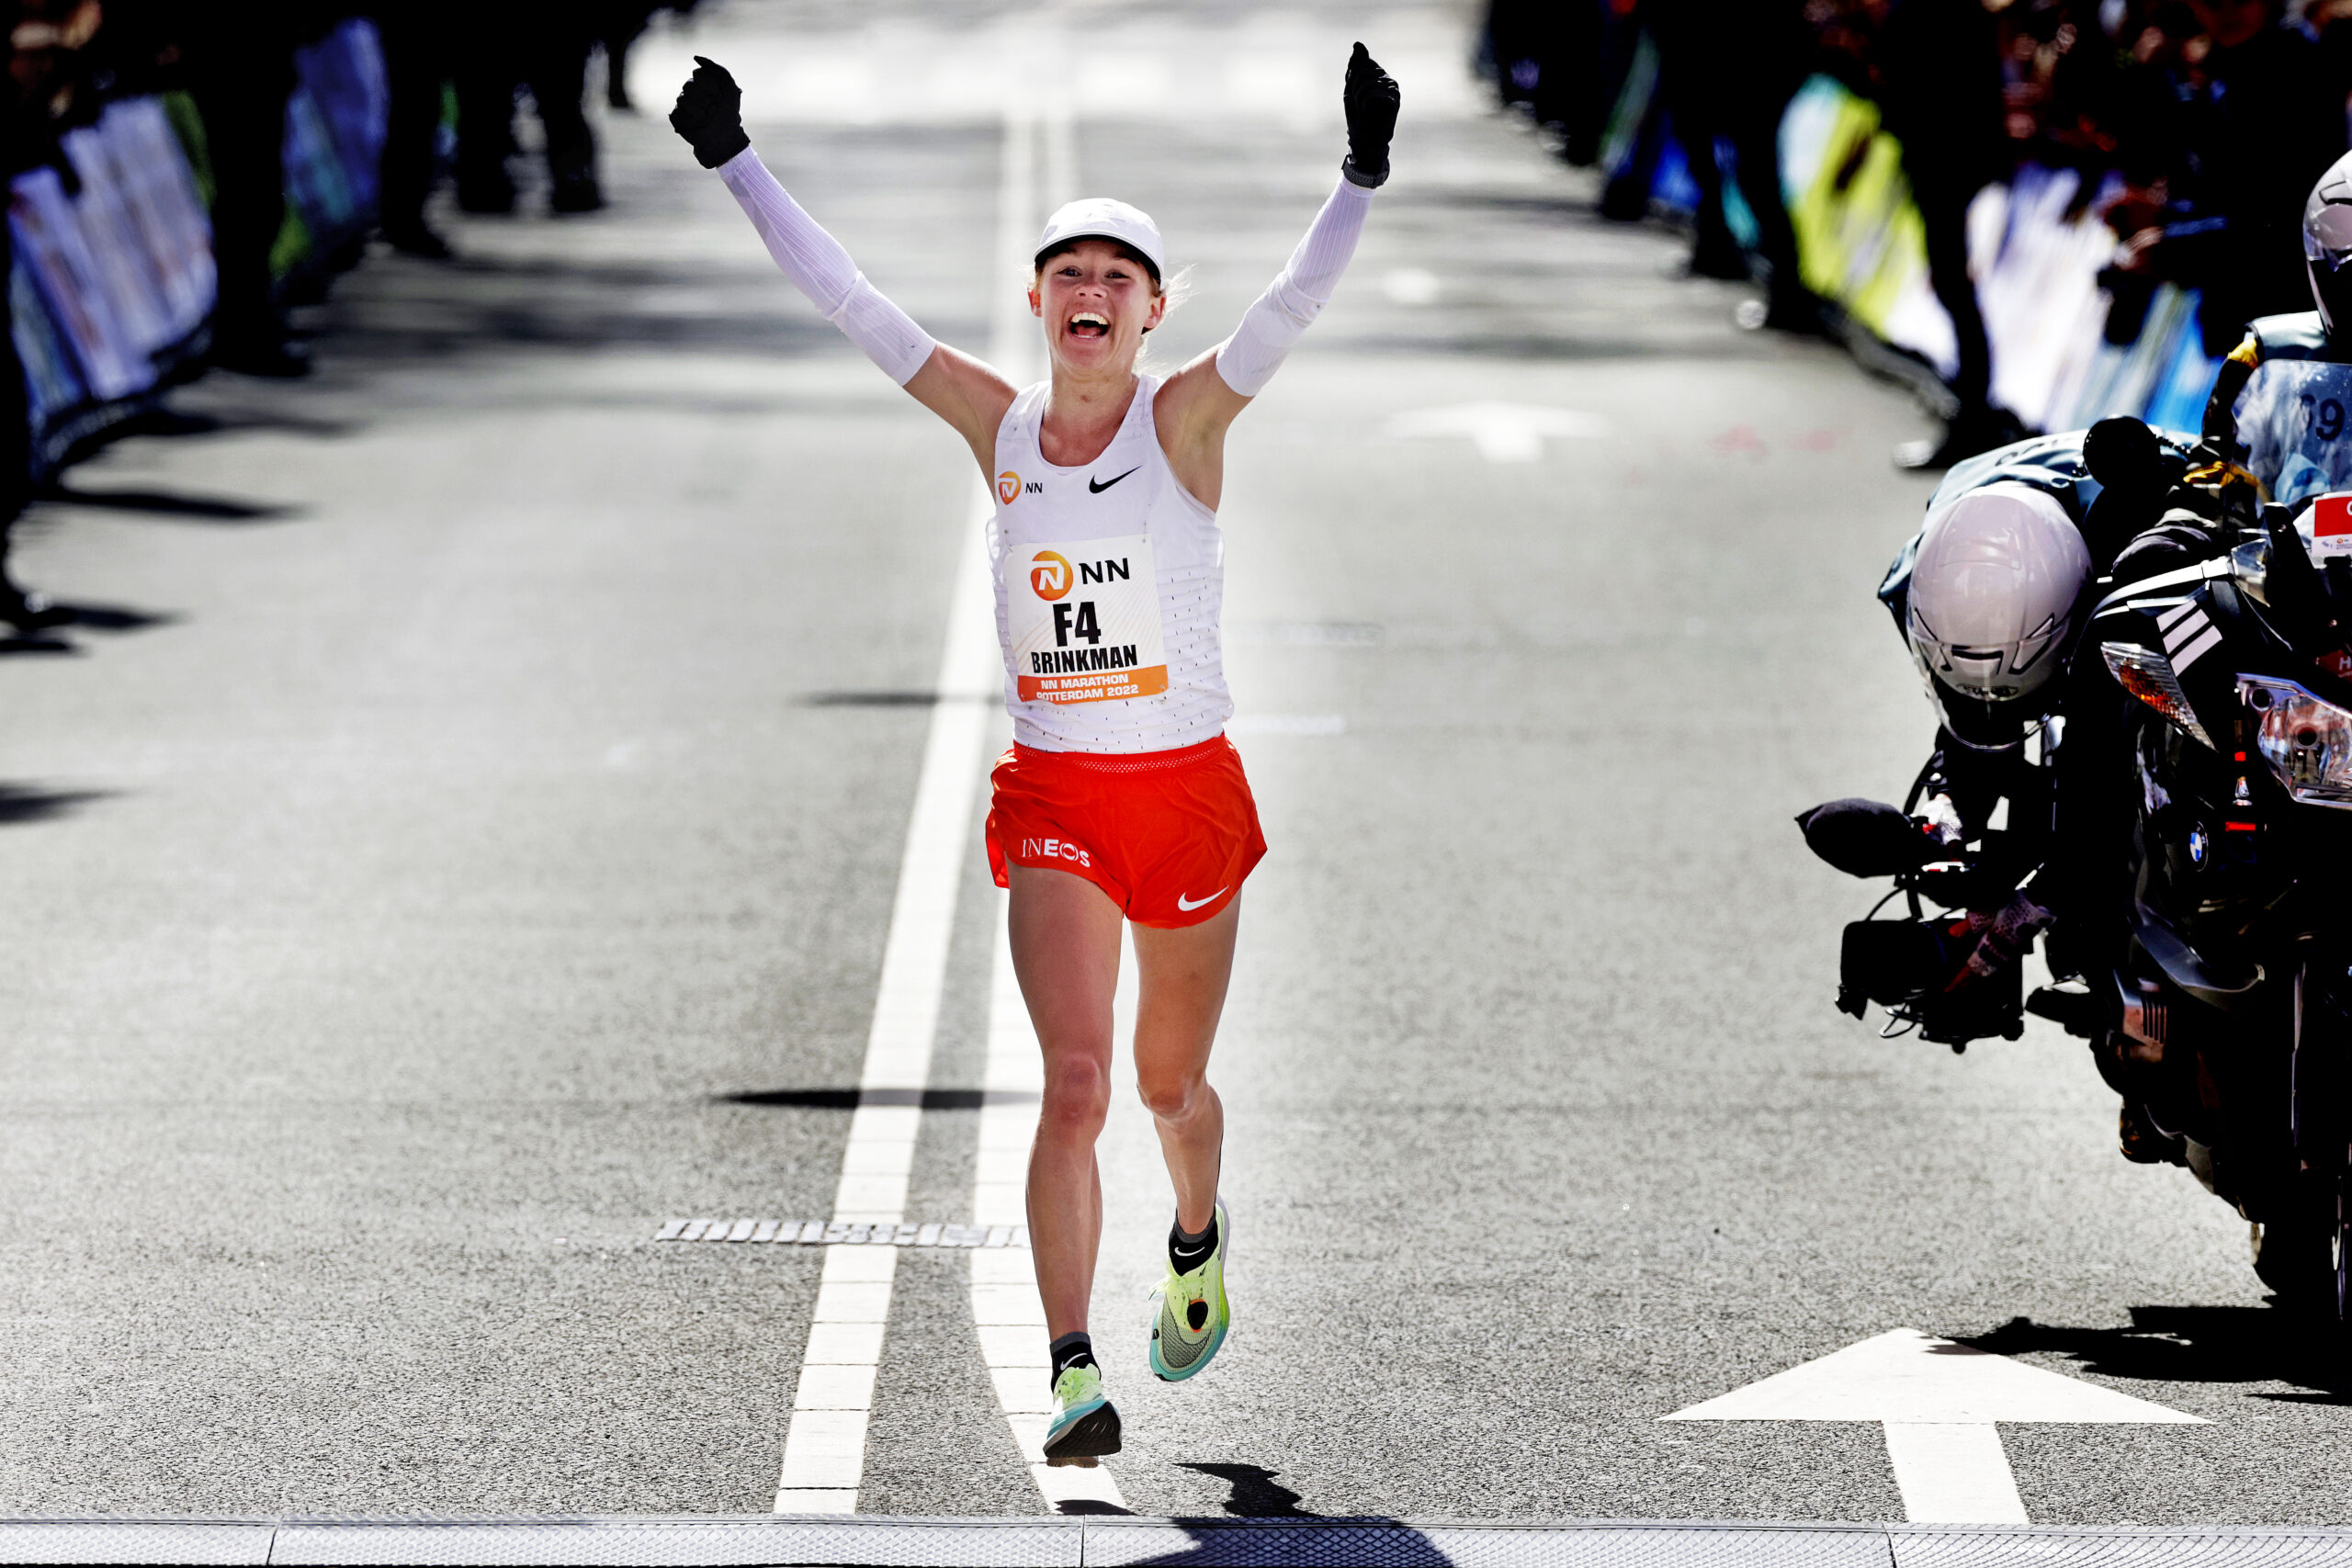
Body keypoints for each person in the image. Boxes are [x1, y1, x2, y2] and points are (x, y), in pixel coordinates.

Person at [668, 46, 1398, 1464]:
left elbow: (1294, 306)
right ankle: (1071, 1369)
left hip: (1184, 794)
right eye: (1069, 270)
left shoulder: (1185, 419)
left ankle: (1198, 1228)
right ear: (1039, 302)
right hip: (1059, 795)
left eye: (1118, 276)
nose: (1090, 291)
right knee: (1071, 1083)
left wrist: (1358, 178)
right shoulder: (996, 427)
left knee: (1166, 1089)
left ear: (1151, 311)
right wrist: (735, 161)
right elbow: (853, 304)